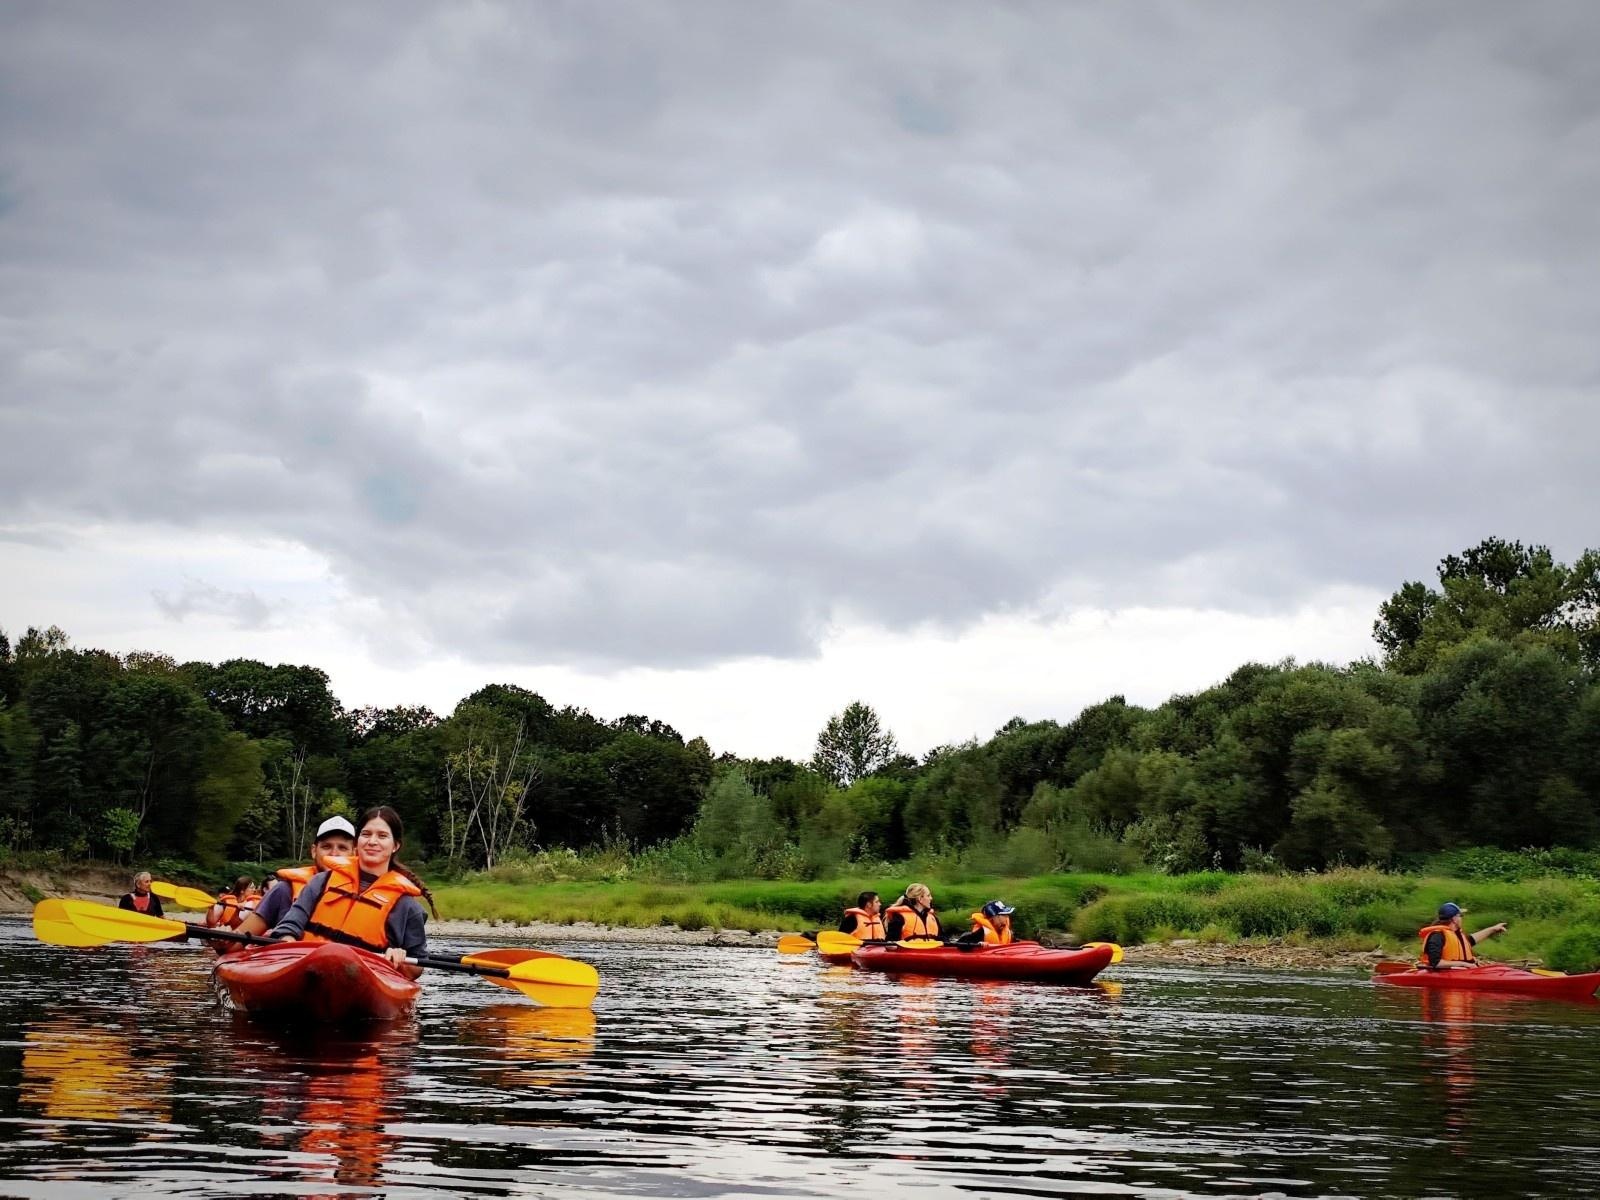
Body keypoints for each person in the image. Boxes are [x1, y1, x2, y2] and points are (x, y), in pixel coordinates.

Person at [271, 806, 436, 980]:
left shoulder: (407, 906)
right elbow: (289, 925)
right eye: (366, 834)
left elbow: (417, 965)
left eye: (382, 836)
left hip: (363, 980)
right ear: (357, 842)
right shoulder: (322, 882)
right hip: (306, 969)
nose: (372, 841)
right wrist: (288, 947)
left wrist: (400, 958)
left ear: (395, 845)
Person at [234, 815, 358, 940]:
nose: (334, 854)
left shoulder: (363, 895)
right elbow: (236, 942)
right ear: (314, 851)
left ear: (354, 853)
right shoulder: (284, 890)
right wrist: (222, 940)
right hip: (293, 957)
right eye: (326, 846)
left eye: (342, 848)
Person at [1418, 901, 1507, 970]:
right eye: (1461, 915)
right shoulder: (1437, 936)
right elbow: (1436, 963)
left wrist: (1493, 929)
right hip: (1446, 973)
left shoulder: (1455, 934)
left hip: (1463, 971)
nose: (1462, 918)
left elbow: (1471, 940)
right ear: (1454, 919)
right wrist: (1464, 964)